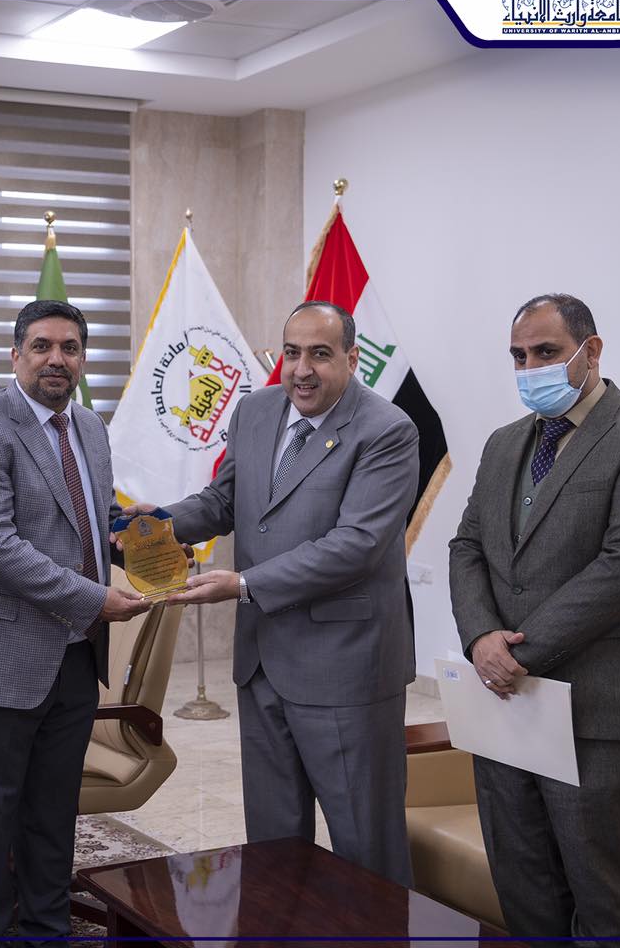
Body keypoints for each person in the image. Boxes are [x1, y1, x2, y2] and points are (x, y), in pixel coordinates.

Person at [136, 300, 419, 886]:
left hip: (345, 668)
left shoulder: (388, 430)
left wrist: (244, 584)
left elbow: (357, 545)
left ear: (352, 359)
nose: (301, 370)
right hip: (262, 662)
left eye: (320, 354)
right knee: (272, 845)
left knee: (365, 847)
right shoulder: (256, 410)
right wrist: (158, 524)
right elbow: (223, 501)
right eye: (291, 353)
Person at [449, 293, 620, 939]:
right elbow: (468, 546)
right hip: (507, 706)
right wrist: (480, 637)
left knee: (602, 898)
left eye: (547, 352)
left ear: (592, 351)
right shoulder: (505, 444)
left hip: (601, 710)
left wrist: (516, 653)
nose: (531, 368)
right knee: (523, 887)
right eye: (519, 356)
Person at [0, 299, 149, 946]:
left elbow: (88, 521)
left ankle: (45, 933)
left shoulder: (89, 426)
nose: (56, 359)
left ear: (83, 359)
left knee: (55, 814)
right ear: (15, 355)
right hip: (1, 653)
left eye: (70, 347)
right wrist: (93, 599)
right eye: (42, 346)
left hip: (76, 653)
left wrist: (142, 538)